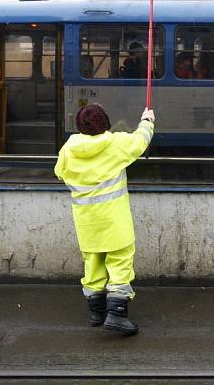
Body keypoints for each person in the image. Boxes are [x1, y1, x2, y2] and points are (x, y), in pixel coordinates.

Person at [54, 103, 155, 335]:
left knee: (93, 263)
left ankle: (96, 312)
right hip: (114, 220)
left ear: (79, 125)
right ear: (106, 123)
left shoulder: (69, 149)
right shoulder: (115, 143)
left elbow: (60, 172)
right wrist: (147, 120)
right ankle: (117, 314)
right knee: (120, 262)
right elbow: (140, 141)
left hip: (87, 221)